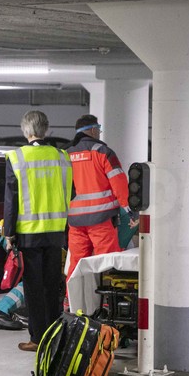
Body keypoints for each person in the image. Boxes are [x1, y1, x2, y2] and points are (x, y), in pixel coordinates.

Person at [3, 110, 72, 352]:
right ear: (46, 130)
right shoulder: (62, 157)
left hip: (29, 235)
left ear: (27, 131)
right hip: (56, 234)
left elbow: (11, 202)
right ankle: (55, 335)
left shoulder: (17, 158)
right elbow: (71, 194)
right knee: (53, 286)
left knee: (33, 288)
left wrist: (9, 234)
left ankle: (38, 337)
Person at [65, 114, 138, 286]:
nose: (99, 133)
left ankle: (72, 302)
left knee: (76, 263)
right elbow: (119, 184)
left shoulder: (66, 154)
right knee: (105, 261)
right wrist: (130, 210)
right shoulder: (104, 153)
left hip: (75, 221)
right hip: (101, 220)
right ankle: (105, 303)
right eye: (98, 130)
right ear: (92, 130)